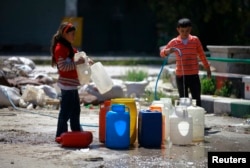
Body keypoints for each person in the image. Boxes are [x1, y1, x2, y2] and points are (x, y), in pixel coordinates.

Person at [50, 22, 93, 141]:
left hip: (73, 86)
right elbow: (63, 67)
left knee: (75, 111)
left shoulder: (70, 48)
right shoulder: (60, 48)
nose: (74, 37)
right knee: (66, 112)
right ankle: (60, 135)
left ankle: (76, 132)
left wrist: (87, 61)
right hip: (67, 86)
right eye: (72, 34)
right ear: (65, 34)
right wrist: (77, 64)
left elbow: (79, 56)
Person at [160, 18, 211, 107]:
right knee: (184, 101)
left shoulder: (195, 40)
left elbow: (202, 55)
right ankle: (185, 119)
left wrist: (208, 68)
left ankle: (196, 118)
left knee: (196, 100)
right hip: (181, 76)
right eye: (182, 31)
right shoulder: (174, 42)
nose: (184, 33)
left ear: (190, 29)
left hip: (193, 75)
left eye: (187, 31)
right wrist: (168, 51)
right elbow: (162, 53)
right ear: (178, 30)